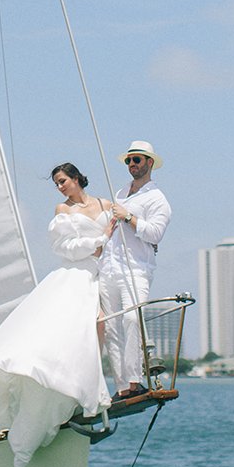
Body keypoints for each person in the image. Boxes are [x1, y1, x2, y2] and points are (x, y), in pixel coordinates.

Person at [0, 163, 111, 467]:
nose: (60, 187)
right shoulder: (62, 209)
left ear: (76, 178)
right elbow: (63, 247)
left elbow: (126, 222)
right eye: (57, 183)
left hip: (102, 275)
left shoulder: (104, 204)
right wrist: (98, 243)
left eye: (63, 181)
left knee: (98, 325)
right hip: (76, 273)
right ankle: (73, 387)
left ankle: (90, 382)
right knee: (77, 327)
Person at [99, 140, 171, 401]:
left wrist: (127, 216)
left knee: (132, 319)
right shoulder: (121, 192)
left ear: (149, 163)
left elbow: (155, 233)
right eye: (129, 160)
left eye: (137, 160)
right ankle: (122, 388)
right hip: (109, 266)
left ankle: (135, 380)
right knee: (111, 328)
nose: (132, 165)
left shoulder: (157, 199)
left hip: (136, 268)